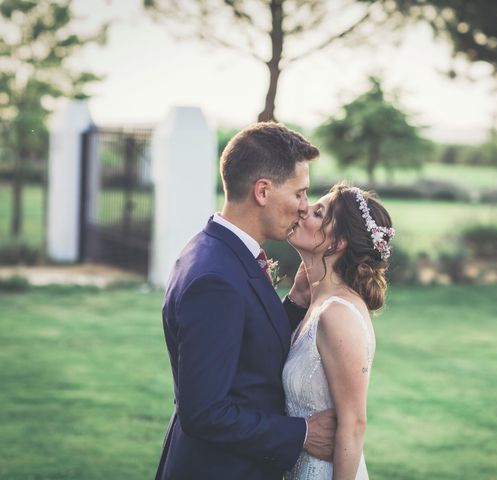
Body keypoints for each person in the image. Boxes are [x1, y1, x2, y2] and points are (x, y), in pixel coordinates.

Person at [155, 123, 337, 480]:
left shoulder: (220, 249)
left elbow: (248, 351)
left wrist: (297, 301)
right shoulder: (216, 279)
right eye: (299, 193)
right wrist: (302, 433)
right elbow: (205, 412)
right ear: (263, 191)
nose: (304, 207)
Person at [284, 182, 395, 479]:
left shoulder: (337, 315)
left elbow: (354, 424)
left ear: (338, 243)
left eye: (318, 213)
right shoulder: (314, 304)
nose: (304, 210)